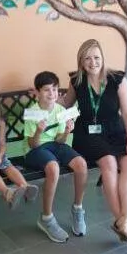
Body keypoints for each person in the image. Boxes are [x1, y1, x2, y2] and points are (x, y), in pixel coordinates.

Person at [60, 39, 127, 243]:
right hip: (88, 134)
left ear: (103, 58)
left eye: (96, 57)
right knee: (109, 163)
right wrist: (45, 97)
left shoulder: (117, 79)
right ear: (81, 61)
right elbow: (65, 103)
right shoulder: (77, 82)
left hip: (116, 131)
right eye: (87, 58)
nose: (93, 62)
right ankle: (119, 219)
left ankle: (125, 221)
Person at [24, 71, 89, 243]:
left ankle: (77, 209)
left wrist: (67, 131)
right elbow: (33, 145)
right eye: (46, 90)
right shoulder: (32, 112)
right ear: (37, 93)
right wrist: (38, 130)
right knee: (53, 167)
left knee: (81, 164)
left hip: (55, 146)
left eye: (54, 89)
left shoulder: (60, 110)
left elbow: (60, 140)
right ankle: (46, 218)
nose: (52, 93)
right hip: (35, 150)